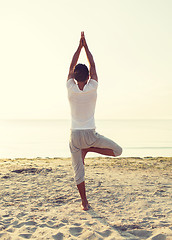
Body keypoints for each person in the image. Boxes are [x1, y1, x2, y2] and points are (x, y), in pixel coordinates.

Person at [67, 32, 122, 211]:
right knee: (118, 151)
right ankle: (89, 149)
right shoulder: (93, 87)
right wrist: (86, 47)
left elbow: (71, 66)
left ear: (75, 77)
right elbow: (93, 65)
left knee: (78, 170)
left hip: (75, 136)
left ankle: (84, 203)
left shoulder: (70, 88)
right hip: (90, 134)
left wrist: (78, 47)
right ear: (88, 76)